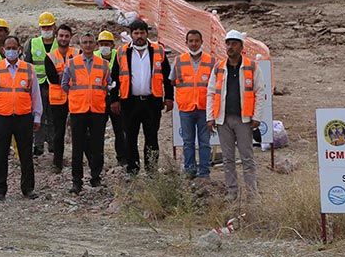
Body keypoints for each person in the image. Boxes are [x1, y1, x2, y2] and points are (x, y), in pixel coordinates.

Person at [207, 29, 270, 200]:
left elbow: (259, 92)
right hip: (223, 119)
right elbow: (211, 93)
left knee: (247, 158)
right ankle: (232, 192)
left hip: (244, 119)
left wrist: (257, 117)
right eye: (228, 43)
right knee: (228, 159)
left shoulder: (251, 66)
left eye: (234, 43)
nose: (230, 47)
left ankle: (252, 192)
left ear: (241, 46)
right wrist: (210, 117)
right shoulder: (219, 67)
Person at [110, 19, 173, 175]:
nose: (139, 36)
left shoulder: (158, 51)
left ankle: (152, 170)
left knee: (152, 137)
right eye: (136, 33)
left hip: (152, 102)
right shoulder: (122, 52)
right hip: (129, 102)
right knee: (130, 137)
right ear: (131, 34)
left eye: (142, 33)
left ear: (147, 33)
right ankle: (133, 169)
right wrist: (114, 100)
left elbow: (167, 77)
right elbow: (114, 78)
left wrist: (169, 97)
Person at [0, 36, 43, 201]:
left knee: (26, 154)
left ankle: (28, 188)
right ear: (3, 50)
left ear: (19, 50)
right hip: (2, 117)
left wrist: (37, 116)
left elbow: (35, 95)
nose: (11, 50)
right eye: (8, 47)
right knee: (0, 154)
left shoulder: (28, 69)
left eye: (14, 47)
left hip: (23, 117)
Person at [61, 32, 113, 192]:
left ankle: (95, 178)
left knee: (98, 146)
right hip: (78, 110)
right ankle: (77, 182)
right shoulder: (71, 63)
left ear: (95, 45)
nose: (88, 45)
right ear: (80, 45)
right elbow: (64, 84)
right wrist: (77, 96)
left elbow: (108, 85)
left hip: (97, 110)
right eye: (85, 42)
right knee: (77, 147)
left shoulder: (103, 64)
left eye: (91, 42)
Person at [171, 29, 214, 179]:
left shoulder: (211, 61)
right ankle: (189, 171)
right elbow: (172, 81)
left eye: (197, 41)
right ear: (186, 43)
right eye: (191, 41)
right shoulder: (179, 60)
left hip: (204, 108)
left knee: (205, 143)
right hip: (186, 108)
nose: (194, 44)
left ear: (202, 42)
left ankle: (204, 172)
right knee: (188, 142)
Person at [42, 23, 73, 173]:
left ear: (70, 38)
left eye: (66, 36)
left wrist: (63, 74)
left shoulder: (77, 53)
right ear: (57, 37)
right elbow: (53, 79)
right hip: (57, 100)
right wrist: (68, 75)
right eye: (61, 35)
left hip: (75, 97)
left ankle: (80, 160)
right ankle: (57, 163)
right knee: (58, 132)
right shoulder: (50, 57)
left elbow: (81, 76)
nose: (63, 38)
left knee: (81, 131)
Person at [27, 12, 60, 157]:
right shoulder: (33, 43)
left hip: (55, 85)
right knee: (38, 114)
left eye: (49, 26)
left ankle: (53, 144)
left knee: (54, 115)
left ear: (54, 26)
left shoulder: (60, 43)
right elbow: (27, 65)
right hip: (38, 84)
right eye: (44, 27)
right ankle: (38, 145)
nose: (47, 29)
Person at [96, 30, 128, 168]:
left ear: (112, 44)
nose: (104, 46)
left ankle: (122, 158)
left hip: (116, 98)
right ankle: (98, 159)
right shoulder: (95, 57)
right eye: (102, 44)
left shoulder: (119, 56)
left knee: (120, 130)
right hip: (100, 99)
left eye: (107, 44)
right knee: (98, 131)